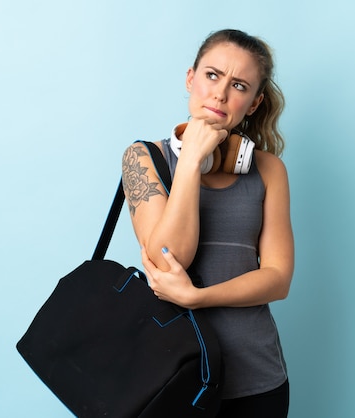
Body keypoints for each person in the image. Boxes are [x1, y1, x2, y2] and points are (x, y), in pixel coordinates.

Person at [121, 29, 294, 418]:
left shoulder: (270, 170)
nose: (220, 94)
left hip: (257, 380)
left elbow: (279, 278)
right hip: (172, 379)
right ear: (190, 78)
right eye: (212, 76)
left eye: (239, 85)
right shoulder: (143, 158)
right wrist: (190, 161)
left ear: (253, 103)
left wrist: (197, 297)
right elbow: (168, 260)